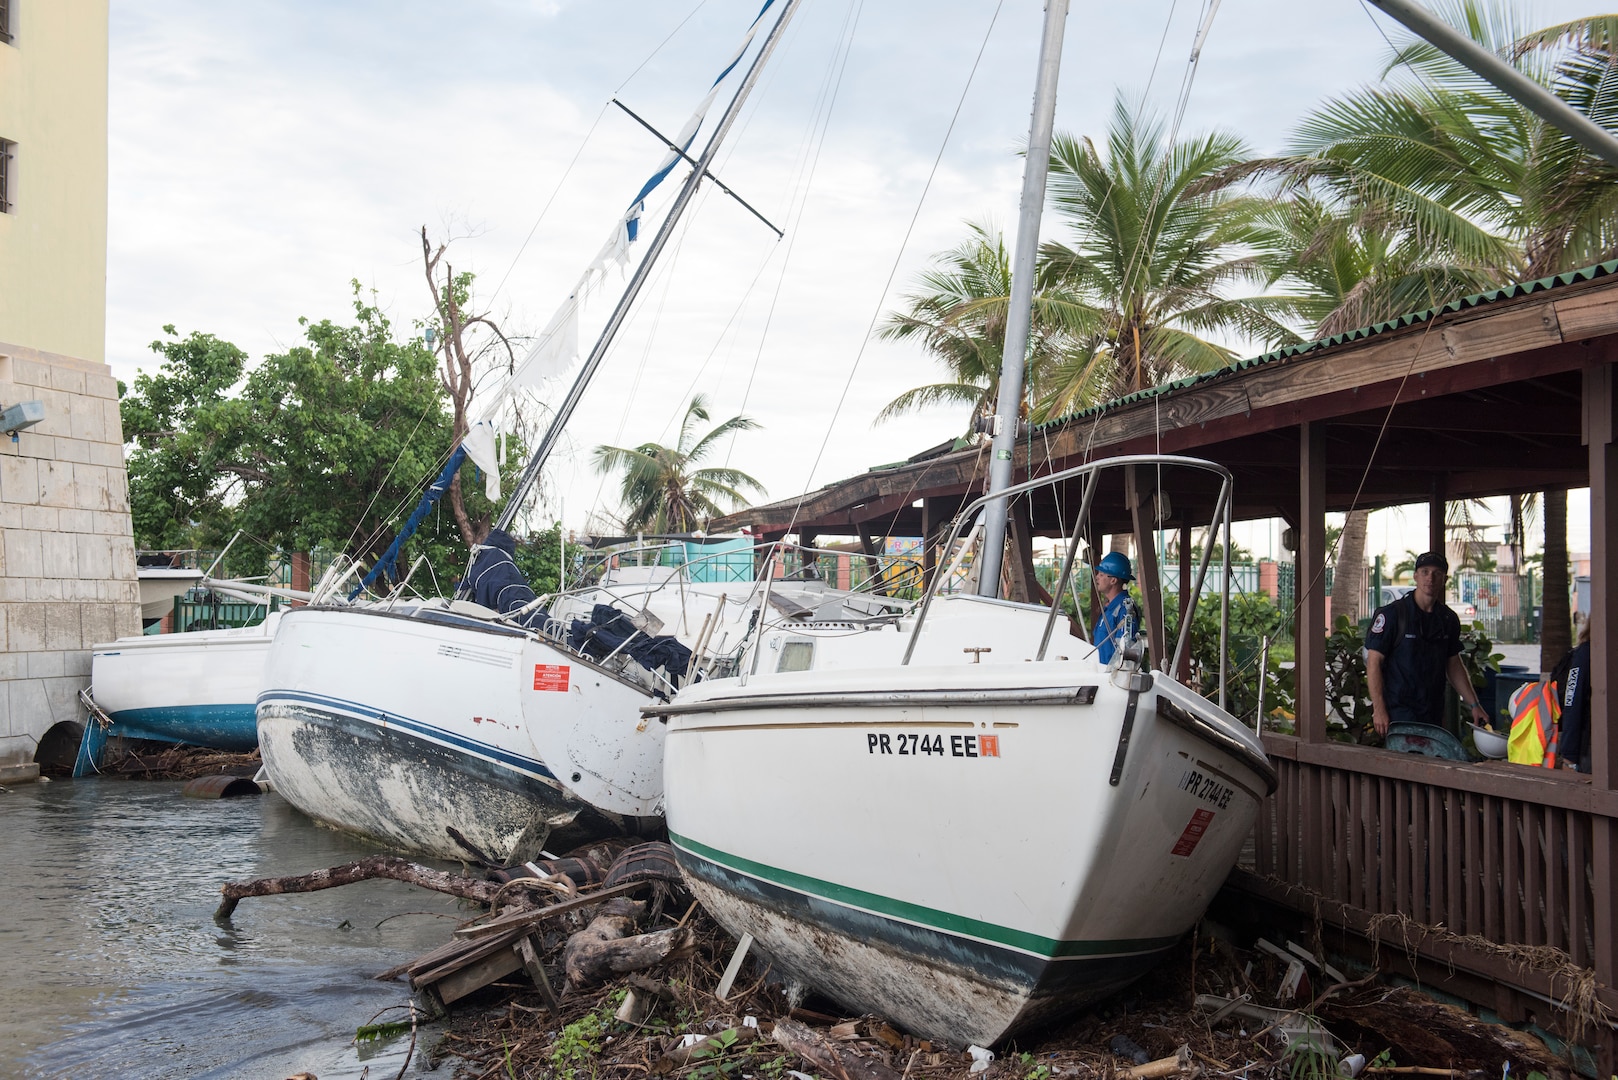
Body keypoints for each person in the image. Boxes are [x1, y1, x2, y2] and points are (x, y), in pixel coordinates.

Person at [1365, 551, 1487, 736]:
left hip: (1433, 715)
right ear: (1415, 576)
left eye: (1437, 573)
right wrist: (1379, 709)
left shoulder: (1448, 619)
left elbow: (1453, 664)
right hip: (1398, 714)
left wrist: (1474, 704)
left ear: (1444, 579)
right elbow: (1374, 662)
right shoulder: (1393, 614)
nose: (1430, 578)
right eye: (1425, 571)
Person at [1556, 619, 1593, 773]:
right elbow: (1572, 703)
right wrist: (1569, 758)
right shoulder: (1586, 654)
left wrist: (1569, 759)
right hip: (1590, 747)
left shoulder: (1584, 653)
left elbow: (1572, 703)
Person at [1092, 552, 1138, 665]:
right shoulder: (1109, 608)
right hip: (1099, 674)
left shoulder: (1125, 610)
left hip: (1110, 678)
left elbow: (1124, 649)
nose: (1097, 576)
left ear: (1113, 580)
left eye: (1102, 574)